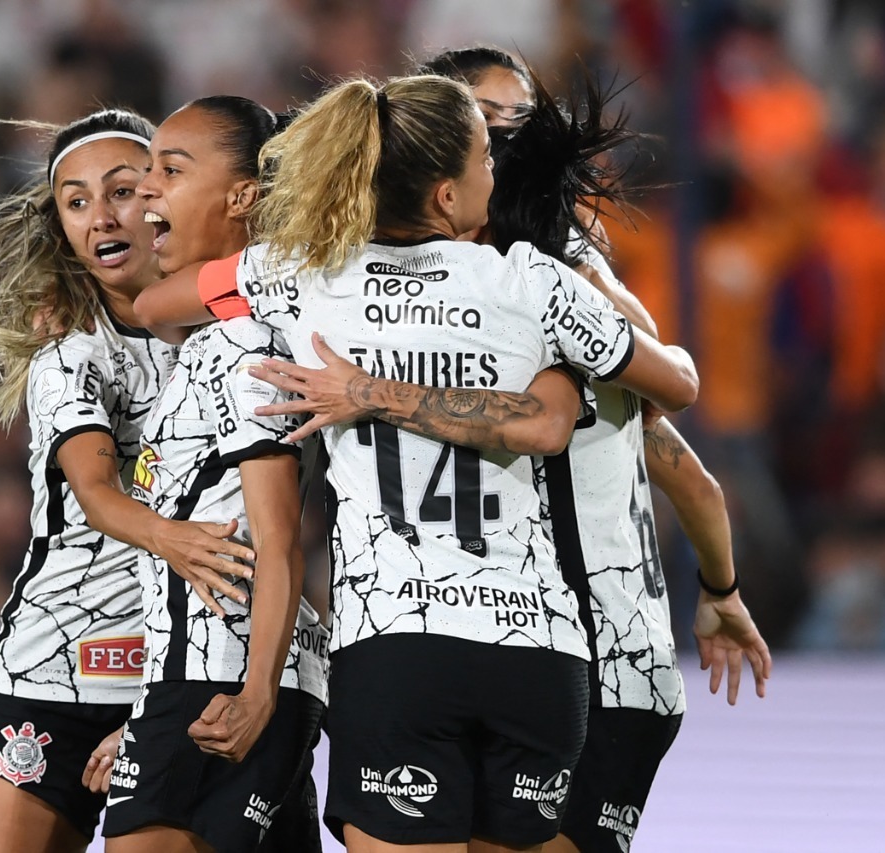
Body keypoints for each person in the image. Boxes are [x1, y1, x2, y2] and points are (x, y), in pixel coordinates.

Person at [135, 73, 699, 852]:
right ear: (444, 195)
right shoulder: (532, 280)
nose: (495, 176)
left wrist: (353, 371)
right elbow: (679, 380)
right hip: (537, 648)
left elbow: (153, 308)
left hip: (397, 643)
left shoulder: (303, 276)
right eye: (483, 161)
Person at [264, 47, 770, 853]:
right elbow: (683, 462)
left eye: (517, 119)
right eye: (483, 121)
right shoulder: (526, 285)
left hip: (588, 656)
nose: (504, 140)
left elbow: (658, 412)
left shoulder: (545, 278)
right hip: (550, 657)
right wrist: (721, 586)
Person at [0, 108, 258, 853]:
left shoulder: (237, 331)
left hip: (183, 669)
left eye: (122, 190)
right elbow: (95, 492)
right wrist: (178, 542)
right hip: (56, 667)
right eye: (76, 201)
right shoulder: (71, 350)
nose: (101, 217)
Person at [92, 95, 328, 853]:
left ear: (243, 196)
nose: (146, 186)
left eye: (171, 168)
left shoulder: (240, 343)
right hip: (210, 673)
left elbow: (278, 531)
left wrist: (256, 687)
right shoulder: (211, 339)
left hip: (226, 681)